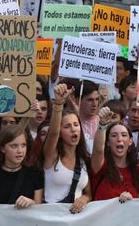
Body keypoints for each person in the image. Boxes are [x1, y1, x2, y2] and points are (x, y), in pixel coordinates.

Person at [43, 83, 91, 214]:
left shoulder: (83, 159)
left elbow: (88, 193)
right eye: (67, 126)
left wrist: (84, 199)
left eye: (76, 125)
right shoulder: (52, 156)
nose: (73, 129)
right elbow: (53, 133)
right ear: (60, 132)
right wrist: (58, 104)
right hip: (51, 219)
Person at [0, 124, 44, 209]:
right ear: (2, 148)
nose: (20, 151)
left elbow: (39, 209)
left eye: (23, 145)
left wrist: (31, 203)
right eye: (14, 146)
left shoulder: (35, 173)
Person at [91, 107, 139, 202]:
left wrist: (132, 199)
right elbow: (98, 149)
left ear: (130, 141)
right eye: (114, 135)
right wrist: (102, 124)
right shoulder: (101, 166)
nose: (119, 139)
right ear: (107, 142)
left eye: (124, 135)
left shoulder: (138, 171)